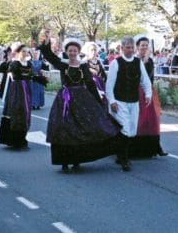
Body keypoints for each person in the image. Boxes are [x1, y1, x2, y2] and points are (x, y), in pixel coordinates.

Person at [39, 29, 121, 173]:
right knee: (64, 129)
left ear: (78, 51)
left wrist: (98, 101)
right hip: (65, 100)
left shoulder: (83, 65)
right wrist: (46, 41)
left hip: (82, 100)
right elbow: (49, 56)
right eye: (70, 50)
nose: (72, 53)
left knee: (81, 129)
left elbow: (89, 84)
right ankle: (64, 161)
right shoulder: (63, 64)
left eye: (74, 50)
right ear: (67, 51)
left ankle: (77, 160)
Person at [106, 36, 152, 171]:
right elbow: (109, 84)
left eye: (132, 47)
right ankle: (123, 159)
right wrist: (112, 101)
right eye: (128, 47)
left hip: (134, 101)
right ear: (122, 48)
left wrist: (148, 94)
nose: (130, 50)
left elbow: (145, 80)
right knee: (126, 128)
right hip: (119, 102)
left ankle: (118, 151)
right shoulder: (116, 63)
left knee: (131, 131)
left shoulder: (138, 62)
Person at [129, 35, 167, 158]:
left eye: (146, 45)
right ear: (137, 47)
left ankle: (156, 146)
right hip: (136, 91)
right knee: (139, 121)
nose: (145, 47)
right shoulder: (133, 60)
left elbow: (150, 76)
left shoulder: (149, 60)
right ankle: (135, 148)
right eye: (142, 45)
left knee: (153, 120)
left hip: (148, 91)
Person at [0, 44, 33, 149]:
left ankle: (22, 138)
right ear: (18, 52)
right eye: (23, 51)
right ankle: (13, 139)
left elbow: (30, 76)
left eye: (27, 51)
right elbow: (10, 75)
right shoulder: (14, 63)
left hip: (26, 89)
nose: (26, 53)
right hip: (17, 89)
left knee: (25, 113)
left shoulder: (29, 63)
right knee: (16, 112)